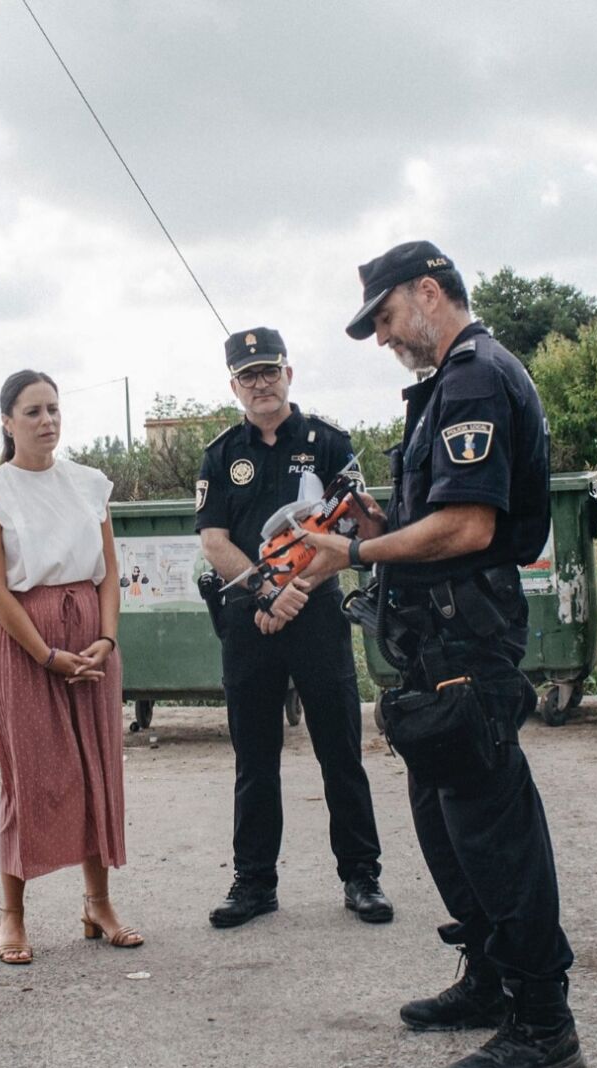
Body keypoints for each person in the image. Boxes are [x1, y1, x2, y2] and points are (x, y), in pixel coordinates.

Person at [304, 241, 585, 1068]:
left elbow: (467, 526)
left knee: (493, 829)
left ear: (428, 292)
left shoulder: (475, 377)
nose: (384, 337)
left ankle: (544, 1022)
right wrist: (377, 521)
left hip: (470, 635)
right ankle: (490, 979)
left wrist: (354, 554)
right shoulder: (445, 385)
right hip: (435, 640)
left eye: (387, 317)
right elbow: (437, 516)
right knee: (445, 819)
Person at [195, 327, 391, 930]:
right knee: (255, 758)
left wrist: (296, 588)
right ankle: (254, 882)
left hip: (317, 613)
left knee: (340, 751)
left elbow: (357, 531)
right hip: (249, 617)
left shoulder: (329, 443)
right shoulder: (221, 454)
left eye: (269, 371)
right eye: (248, 375)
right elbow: (214, 541)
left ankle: (362, 876)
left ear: (289, 374)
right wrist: (266, 590)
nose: (261, 384)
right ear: (234, 386)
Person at [0, 369, 141, 965]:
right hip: (24, 646)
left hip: (89, 641)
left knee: (96, 770)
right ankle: (12, 915)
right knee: (30, 778)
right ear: (7, 422)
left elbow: (108, 573)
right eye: (33, 411)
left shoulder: (88, 484)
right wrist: (45, 654)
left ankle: (98, 904)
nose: (47, 421)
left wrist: (106, 639)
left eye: (54, 409)